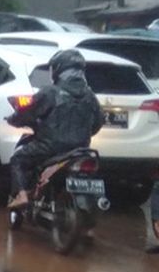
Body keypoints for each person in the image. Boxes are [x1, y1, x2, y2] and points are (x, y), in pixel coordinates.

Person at [6, 49, 103, 210]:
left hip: (49, 148)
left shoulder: (50, 92)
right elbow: (98, 122)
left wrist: (13, 120)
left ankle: (21, 195)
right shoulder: (90, 95)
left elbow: (27, 112)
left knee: (18, 159)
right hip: (81, 149)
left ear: (59, 69)